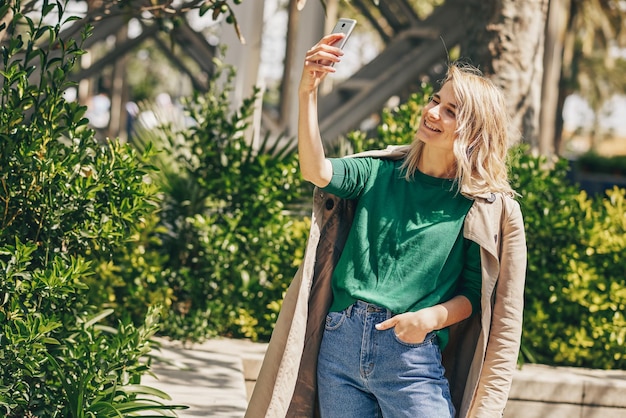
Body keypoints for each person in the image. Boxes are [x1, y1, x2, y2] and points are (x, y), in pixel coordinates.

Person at [245, 32, 527, 418]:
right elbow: (317, 170)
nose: (432, 113)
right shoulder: (378, 171)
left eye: (451, 111)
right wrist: (307, 91)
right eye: (435, 101)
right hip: (339, 345)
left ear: (475, 132)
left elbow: (474, 296)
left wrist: (426, 320)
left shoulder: (477, 207)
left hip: (410, 355)